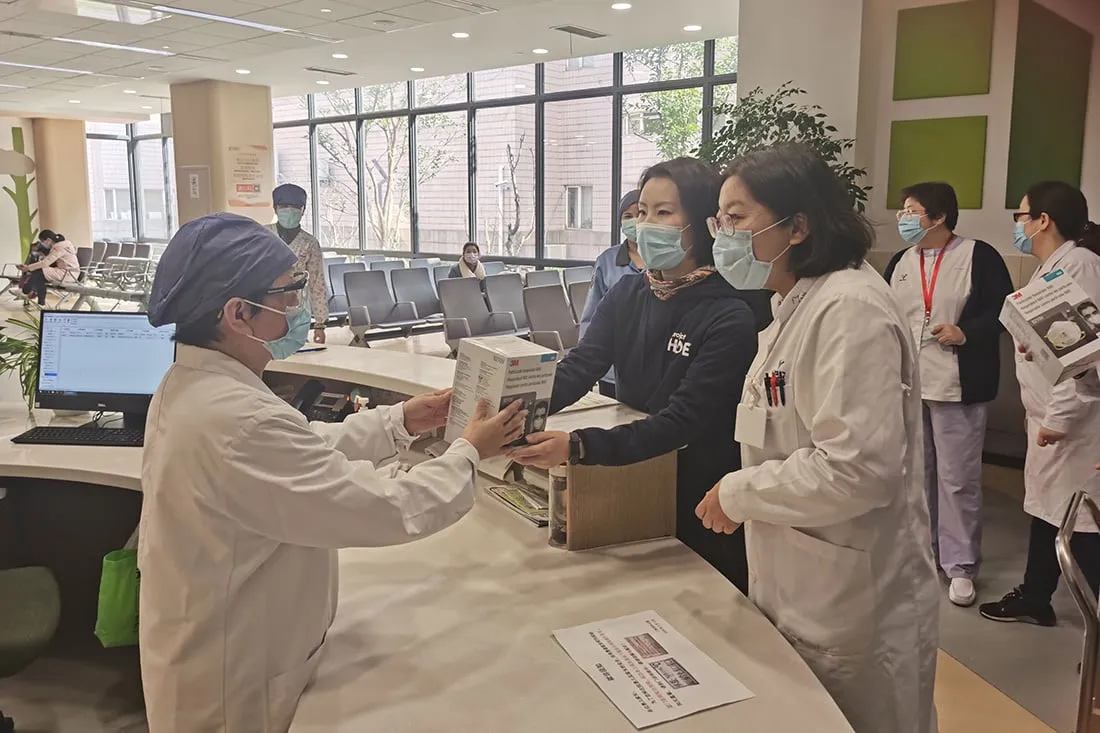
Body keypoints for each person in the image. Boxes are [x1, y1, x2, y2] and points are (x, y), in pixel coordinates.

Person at [138, 213, 527, 733]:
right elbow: (383, 509)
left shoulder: (195, 386)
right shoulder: (238, 419)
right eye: (285, 295)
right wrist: (467, 453)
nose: (297, 310)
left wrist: (399, 420)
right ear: (238, 314)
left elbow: (303, 448)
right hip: (235, 683)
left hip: (224, 642)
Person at [694, 143, 939, 733]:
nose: (722, 234)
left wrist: (739, 492)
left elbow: (856, 469)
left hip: (852, 599)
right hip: (801, 576)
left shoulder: (850, 310)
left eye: (737, 217)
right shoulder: (793, 307)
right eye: (718, 219)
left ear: (796, 226)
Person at [510, 157, 759, 590]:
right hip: (632, 470)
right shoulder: (630, 290)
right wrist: (514, 411)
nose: (646, 224)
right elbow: (582, 366)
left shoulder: (730, 313)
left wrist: (577, 445)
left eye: (664, 213)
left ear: (702, 224)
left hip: (695, 489)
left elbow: (682, 421)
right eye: (642, 212)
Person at [883, 182, 1013, 607]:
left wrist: (965, 331)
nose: (903, 219)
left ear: (938, 217)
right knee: (916, 474)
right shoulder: (900, 261)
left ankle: (960, 566)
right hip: (910, 383)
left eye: (911, 211)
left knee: (957, 480)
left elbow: (1005, 310)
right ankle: (922, 553)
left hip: (958, 384)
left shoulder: (979, 256)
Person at [980, 181, 1100, 627]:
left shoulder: (1080, 267)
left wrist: (1059, 419)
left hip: (1075, 425)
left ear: (1043, 220)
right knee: (1049, 510)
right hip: (1050, 418)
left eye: (1021, 215)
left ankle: (1094, 634)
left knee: (1080, 524)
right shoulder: (1053, 268)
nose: (1019, 224)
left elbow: (1083, 358)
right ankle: (1035, 595)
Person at [580, 189, 644, 398]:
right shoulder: (607, 260)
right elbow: (591, 316)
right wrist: (586, 362)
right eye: (627, 216)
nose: (634, 221)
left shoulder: (665, 260)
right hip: (611, 370)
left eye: (640, 213)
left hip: (649, 370)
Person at [269, 183, 327, 344]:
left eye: (295, 207)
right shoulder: (263, 236)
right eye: (284, 206)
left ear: (303, 210)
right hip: (266, 305)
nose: (289, 210)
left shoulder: (310, 243)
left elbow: (317, 282)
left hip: (297, 305)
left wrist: (320, 324)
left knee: (297, 351)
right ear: (275, 208)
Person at [18, 230, 79, 306]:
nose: (42, 243)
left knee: (38, 271)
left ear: (48, 240)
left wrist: (28, 268)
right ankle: (38, 299)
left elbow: (46, 263)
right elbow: (50, 260)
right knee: (39, 276)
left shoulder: (59, 247)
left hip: (68, 274)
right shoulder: (62, 245)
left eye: (42, 241)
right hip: (67, 272)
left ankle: (26, 291)